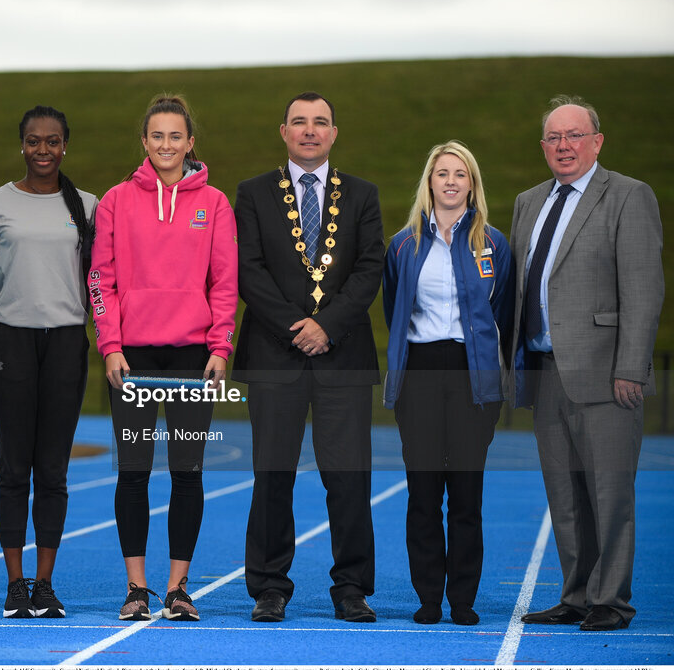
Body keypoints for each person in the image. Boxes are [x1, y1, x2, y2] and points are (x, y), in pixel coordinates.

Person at [510, 96, 663, 632]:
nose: (564, 146)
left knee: (609, 491)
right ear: (544, 147)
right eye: (554, 138)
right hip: (545, 368)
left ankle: (612, 600)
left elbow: (644, 290)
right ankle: (576, 594)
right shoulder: (529, 201)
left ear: (597, 142)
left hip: (604, 372)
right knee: (565, 495)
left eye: (575, 135)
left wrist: (632, 367)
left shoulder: (627, 196)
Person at [232, 91, 383, 623]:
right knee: (273, 474)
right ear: (284, 131)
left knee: (347, 476)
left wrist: (328, 326)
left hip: (342, 354)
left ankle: (351, 588)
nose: (310, 131)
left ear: (334, 133)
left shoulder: (363, 195)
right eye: (300, 122)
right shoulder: (251, 194)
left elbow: (370, 269)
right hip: (277, 352)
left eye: (321, 122)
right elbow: (248, 270)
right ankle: (269, 585)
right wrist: (298, 328)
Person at [89, 94, 238, 622]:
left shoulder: (215, 203)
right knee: (133, 472)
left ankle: (177, 589)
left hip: (194, 357)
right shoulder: (115, 201)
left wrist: (221, 347)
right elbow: (99, 280)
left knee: (186, 473)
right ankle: (136, 588)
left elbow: (224, 282)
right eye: (157, 136)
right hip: (132, 356)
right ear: (145, 142)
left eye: (176, 136)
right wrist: (110, 345)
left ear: (190, 142)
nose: (166, 145)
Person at [382, 141, 514, 626]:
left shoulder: (493, 244)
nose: (452, 181)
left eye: (461, 173)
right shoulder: (403, 244)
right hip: (419, 373)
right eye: (443, 173)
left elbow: (502, 313)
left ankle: (462, 599)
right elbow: (394, 306)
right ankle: (429, 598)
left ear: (472, 184)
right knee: (422, 493)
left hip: (472, 376)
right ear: (430, 182)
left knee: (465, 493)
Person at [0, 106, 97, 619]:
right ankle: (14, 582)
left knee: (53, 469)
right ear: (21, 145)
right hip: (13, 344)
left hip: (67, 342)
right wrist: (1, 337)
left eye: (52, 142)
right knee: (13, 467)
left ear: (65, 145)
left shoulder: (88, 205)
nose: (42, 150)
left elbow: (95, 280)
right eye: (33, 141)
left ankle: (44, 584)